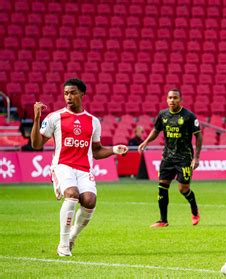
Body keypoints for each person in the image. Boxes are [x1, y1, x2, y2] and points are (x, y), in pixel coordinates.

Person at [30, 78, 128, 256]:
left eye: (73, 93)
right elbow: (36, 144)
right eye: (66, 93)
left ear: (82, 94)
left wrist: (114, 150)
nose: (69, 96)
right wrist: (36, 119)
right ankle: (63, 244)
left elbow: (96, 151)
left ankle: (72, 237)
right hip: (63, 166)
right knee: (72, 195)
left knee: (90, 201)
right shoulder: (55, 117)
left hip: (84, 168)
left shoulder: (93, 121)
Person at [138, 89, 203, 227]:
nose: (172, 100)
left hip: (184, 158)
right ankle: (163, 220)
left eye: (175, 98)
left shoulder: (189, 116)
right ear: (166, 99)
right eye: (170, 98)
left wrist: (196, 158)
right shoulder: (163, 115)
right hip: (167, 157)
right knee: (162, 186)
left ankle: (194, 209)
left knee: (183, 189)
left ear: (180, 100)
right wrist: (146, 142)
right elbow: (156, 130)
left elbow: (198, 136)